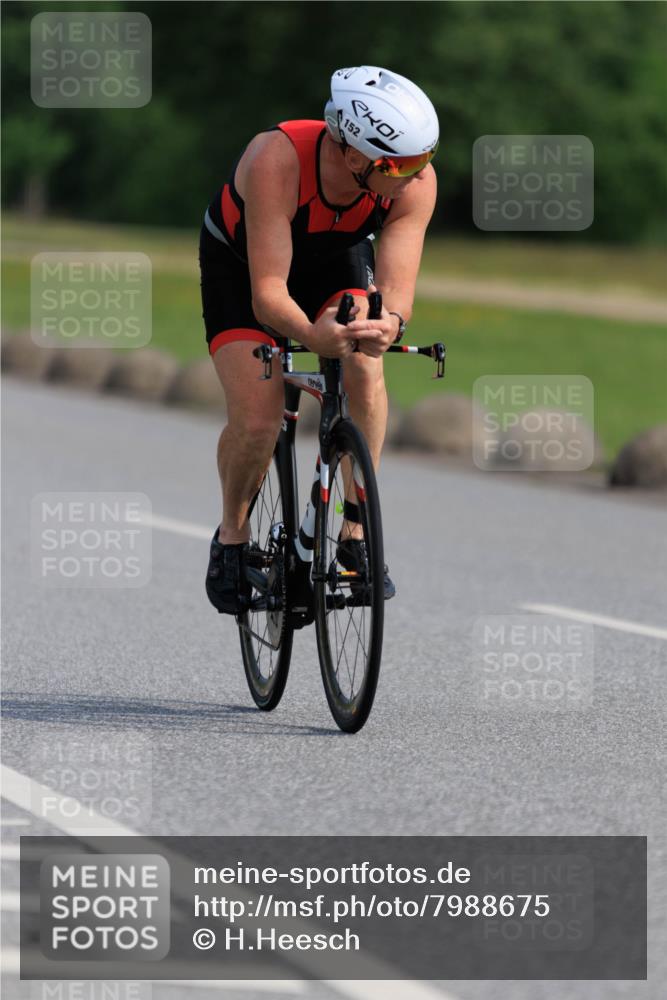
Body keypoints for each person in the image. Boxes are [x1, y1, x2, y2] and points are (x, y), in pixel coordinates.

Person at [199, 65, 439, 614]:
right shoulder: (275, 160)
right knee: (258, 420)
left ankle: (356, 529)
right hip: (244, 268)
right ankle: (232, 539)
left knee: (364, 359)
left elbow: (397, 293)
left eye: (425, 157)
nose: (418, 174)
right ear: (354, 155)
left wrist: (388, 326)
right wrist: (310, 335)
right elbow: (267, 294)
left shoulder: (414, 183)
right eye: (402, 164)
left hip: (333, 259)